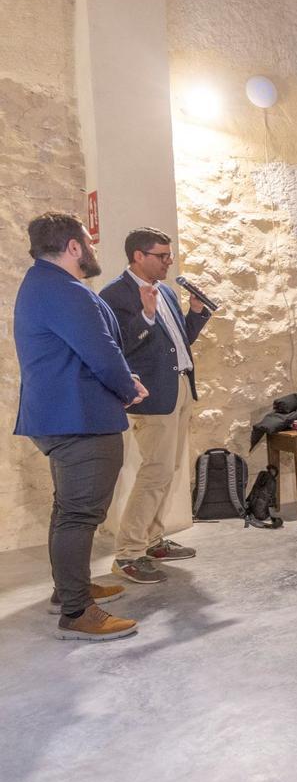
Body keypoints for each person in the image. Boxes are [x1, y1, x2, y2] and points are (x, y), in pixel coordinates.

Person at [14, 212, 148, 641]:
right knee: (79, 515)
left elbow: (81, 351)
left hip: (63, 415)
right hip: (80, 418)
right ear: (73, 246)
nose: (92, 248)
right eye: (88, 241)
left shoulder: (42, 284)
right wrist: (128, 388)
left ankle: (69, 589)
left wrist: (123, 380)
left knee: (68, 510)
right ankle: (76, 612)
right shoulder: (65, 290)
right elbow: (101, 351)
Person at [100, 228, 211, 584]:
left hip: (179, 386)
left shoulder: (165, 290)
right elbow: (120, 346)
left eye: (169, 255)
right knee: (155, 471)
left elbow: (180, 341)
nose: (169, 261)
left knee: (170, 469)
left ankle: (152, 540)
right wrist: (146, 317)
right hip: (152, 395)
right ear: (138, 256)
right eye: (162, 256)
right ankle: (128, 553)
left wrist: (196, 313)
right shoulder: (114, 294)